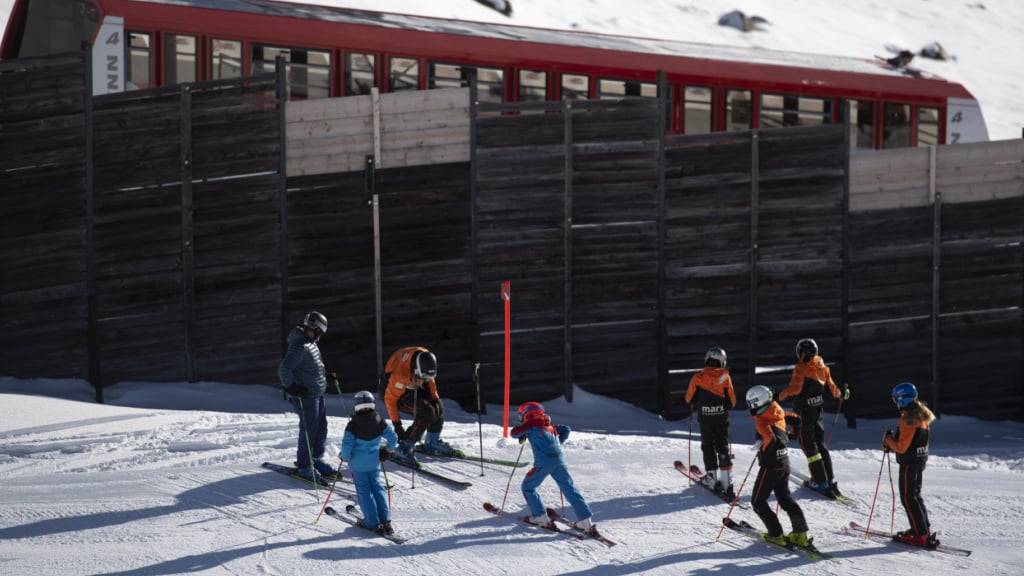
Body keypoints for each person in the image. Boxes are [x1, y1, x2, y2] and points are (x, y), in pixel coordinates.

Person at [511, 402, 598, 534]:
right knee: (570, 489)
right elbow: (566, 429)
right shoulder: (549, 425)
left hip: (544, 463)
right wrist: (557, 443)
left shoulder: (531, 424)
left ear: (526, 414)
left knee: (528, 487)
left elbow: (514, 433)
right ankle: (585, 522)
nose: (521, 418)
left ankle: (540, 517)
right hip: (559, 461)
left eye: (521, 415)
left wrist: (524, 431)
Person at [778, 338, 849, 497]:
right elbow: (833, 389)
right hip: (818, 412)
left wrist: (779, 396)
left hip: (804, 412)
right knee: (820, 444)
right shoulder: (823, 367)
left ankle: (820, 482)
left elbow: (795, 389)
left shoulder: (800, 368)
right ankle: (829, 479)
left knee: (809, 445)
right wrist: (842, 393)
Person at [745, 385, 812, 549]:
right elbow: (795, 419)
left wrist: (762, 445)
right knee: (785, 499)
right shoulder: (776, 409)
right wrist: (792, 434)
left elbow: (771, 438)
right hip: (784, 463)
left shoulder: (761, 420)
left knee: (757, 502)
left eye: (751, 404)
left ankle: (776, 535)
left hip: (771, 466)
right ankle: (800, 535)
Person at [278, 311, 337, 482]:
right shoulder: (300, 346)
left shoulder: (309, 343)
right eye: (312, 328)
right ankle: (304, 466)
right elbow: (284, 369)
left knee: (321, 428)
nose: (313, 332)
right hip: (306, 396)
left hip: (316, 393)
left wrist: (325, 377)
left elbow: (311, 366)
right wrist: (292, 388)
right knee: (309, 430)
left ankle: (315, 459)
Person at [884, 382, 939, 548]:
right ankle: (922, 530)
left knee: (908, 498)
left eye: (896, 399)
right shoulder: (921, 415)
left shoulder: (908, 419)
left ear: (901, 399)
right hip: (918, 461)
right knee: (914, 496)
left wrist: (888, 440)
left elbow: (901, 447)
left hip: (909, 463)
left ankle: (920, 535)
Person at [382, 346, 458, 464]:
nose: (424, 381)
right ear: (415, 370)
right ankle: (404, 447)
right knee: (426, 412)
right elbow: (390, 400)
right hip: (394, 392)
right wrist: (397, 425)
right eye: (423, 378)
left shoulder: (425, 359)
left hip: (412, 381)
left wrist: (435, 399)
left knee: (438, 408)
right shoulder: (400, 375)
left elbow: (430, 381)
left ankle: (432, 442)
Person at [341, 390, 399, 535]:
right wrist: (387, 451)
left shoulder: (353, 425)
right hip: (374, 463)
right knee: (378, 489)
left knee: (364, 491)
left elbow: (347, 446)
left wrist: (344, 456)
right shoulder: (379, 420)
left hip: (357, 465)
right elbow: (393, 438)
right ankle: (386, 521)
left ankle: (371, 522)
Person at [684, 347, 736, 498]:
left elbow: (688, 399)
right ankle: (726, 481)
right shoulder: (725, 377)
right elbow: (732, 401)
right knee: (722, 446)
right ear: (722, 361)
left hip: (705, 418)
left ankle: (711, 478)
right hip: (721, 418)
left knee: (707, 445)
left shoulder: (698, 377)